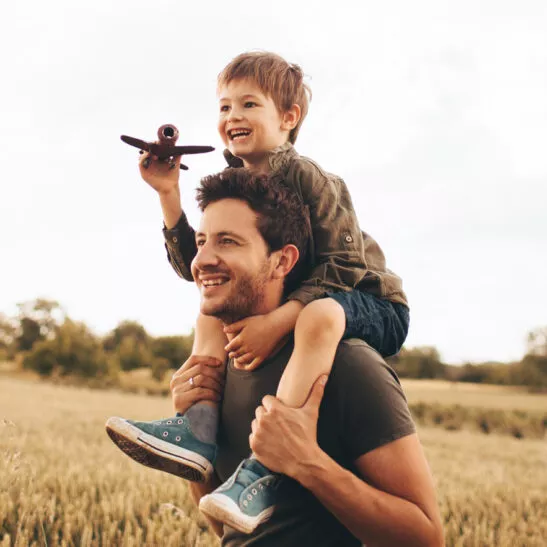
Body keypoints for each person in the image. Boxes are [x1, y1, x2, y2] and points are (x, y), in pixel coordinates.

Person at [106, 51, 410, 532]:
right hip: (309, 301)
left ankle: (265, 466)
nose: (233, 117)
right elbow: (199, 268)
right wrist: (169, 195)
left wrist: (279, 320)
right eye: (225, 107)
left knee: (320, 316)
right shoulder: (240, 185)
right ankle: (199, 428)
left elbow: (344, 266)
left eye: (249, 105)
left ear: (289, 118)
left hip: (368, 301)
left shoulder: (311, 178)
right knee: (213, 300)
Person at [163, 169, 442, 545]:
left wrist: (307, 463)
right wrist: (196, 442)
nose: (202, 260)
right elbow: (225, 527)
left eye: (227, 242)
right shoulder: (223, 367)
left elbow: (426, 538)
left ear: (282, 262)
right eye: (200, 242)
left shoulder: (348, 366)